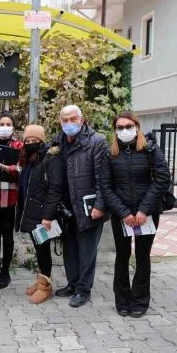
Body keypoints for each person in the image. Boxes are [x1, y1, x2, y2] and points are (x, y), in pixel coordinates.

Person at [100, 112, 171, 318]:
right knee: (122, 257)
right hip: (121, 215)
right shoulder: (110, 154)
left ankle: (139, 300)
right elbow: (106, 186)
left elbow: (162, 179)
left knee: (142, 257)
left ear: (137, 127)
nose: (125, 130)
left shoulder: (151, 150)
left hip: (147, 214)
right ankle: (122, 300)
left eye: (128, 126)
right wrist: (123, 213)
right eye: (120, 127)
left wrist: (143, 210)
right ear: (115, 131)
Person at [52, 105, 110, 308]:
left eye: (73, 119)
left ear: (82, 120)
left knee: (87, 251)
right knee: (69, 248)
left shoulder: (96, 142)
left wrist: (100, 205)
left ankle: (83, 290)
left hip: (89, 207)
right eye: (65, 120)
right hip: (67, 208)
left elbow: (103, 178)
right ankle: (72, 284)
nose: (69, 123)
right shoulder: (58, 141)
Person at [16, 125, 63, 305]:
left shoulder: (50, 159)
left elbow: (55, 189)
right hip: (32, 213)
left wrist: (48, 216)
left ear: (42, 141)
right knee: (38, 249)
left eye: (34, 140)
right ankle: (41, 280)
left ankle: (45, 287)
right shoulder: (30, 160)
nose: (30, 143)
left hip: (43, 216)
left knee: (43, 251)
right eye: (27, 141)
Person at [0, 112, 23, 289]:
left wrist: (3, 167)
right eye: (1, 124)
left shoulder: (19, 146)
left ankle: (5, 271)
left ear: (13, 128)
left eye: (8, 124)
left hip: (10, 197)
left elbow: (21, 169)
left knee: (7, 235)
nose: (5, 127)